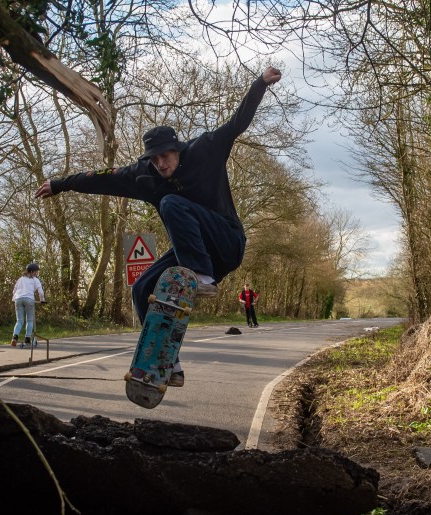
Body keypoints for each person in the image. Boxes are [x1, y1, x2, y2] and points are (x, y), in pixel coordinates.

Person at [35, 65, 282, 386]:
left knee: (170, 203)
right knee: (141, 288)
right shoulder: (144, 176)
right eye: (155, 159)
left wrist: (259, 84)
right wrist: (60, 183)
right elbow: (103, 178)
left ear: (177, 150)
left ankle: (202, 277)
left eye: (166, 156)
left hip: (226, 243)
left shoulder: (205, 149)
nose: (161, 164)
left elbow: (237, 123)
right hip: (191, 252)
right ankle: (166, 361)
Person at [11, 263, 46, 348]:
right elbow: (40, 292)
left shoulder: (20, 279)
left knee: (19, 321)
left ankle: (14, 337)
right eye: (36, 272)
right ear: (32, 271)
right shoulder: (35, 280)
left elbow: (14, 291)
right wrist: (42, 300)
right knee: (30, 320)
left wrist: (14, 299)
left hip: (18, 299)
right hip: (29, 299)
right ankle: (27, 338)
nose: (36, 273)